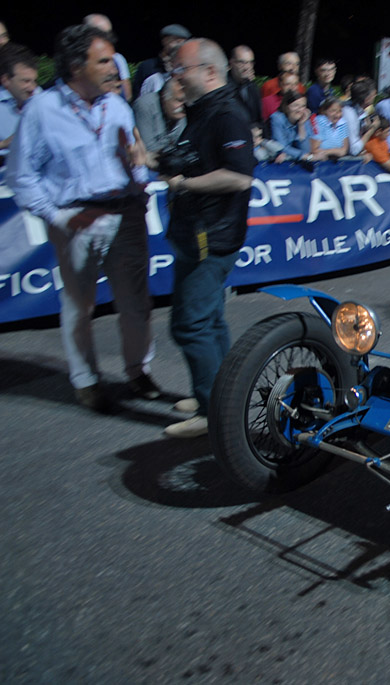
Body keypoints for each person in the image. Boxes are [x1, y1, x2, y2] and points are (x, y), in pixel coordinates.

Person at [8, 24, 157, 412]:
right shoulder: (42, 110)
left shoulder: (118, 106)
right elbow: (22, 176)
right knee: (80, 307)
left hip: (127, 215)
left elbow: (134, 158)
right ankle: (86, 381)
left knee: (136, 302)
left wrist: (140, 184)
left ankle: (138, 371)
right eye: (104, 61)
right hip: (76, 219)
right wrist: (57, 216)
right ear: (76, 66)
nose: (114, 68)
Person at [162, 37, 255, 438]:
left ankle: (212, 410)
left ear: (210, 72)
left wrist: (184, 183)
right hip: (196, 234)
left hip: (211, 238)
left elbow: (239, 174)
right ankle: (218, 394)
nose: (175, 78)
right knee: (210, 319)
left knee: (190, 323)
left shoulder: (227, 114)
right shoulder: (203, 111)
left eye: (181, 70)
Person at [133, 24, 191, 98]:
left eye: (183, 42)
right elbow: (137, 97)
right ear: (165, 41)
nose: (180, 45)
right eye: (176, 41)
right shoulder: (147, 67)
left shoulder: (186, 67)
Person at [0, 43, 37, 159]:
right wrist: (4, 144)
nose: (32, 88)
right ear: (6, 80)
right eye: (25, 81)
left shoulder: (41, 97)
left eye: (34, 81)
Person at [82, 14, 131, 101]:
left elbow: (126, 94)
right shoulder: (76, 61)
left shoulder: (118, 59)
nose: (106, 38)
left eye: (108, 33)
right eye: (101, 34)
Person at [133, 77, 185, 155]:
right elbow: (148, 149)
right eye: (179, 100)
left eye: (186, 101)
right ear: (164, 97)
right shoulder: (145, 106)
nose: (183, 106)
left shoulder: (180, 111)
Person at [270, 91, 315, 162]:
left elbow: (306, 150)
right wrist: (301, 155)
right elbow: (281, 147)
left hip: (293, 159)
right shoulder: (277, 118)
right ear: (286, 107)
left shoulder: (304, 120)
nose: (300, 110)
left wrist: (301, 126)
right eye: (296, 105)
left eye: (303, 106)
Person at [227, 45, 260, 125]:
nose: (247, 67)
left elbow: (259, 119)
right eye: (242, 62)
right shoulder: (224, 87)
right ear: (231, 63)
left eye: (250, 62)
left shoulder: (252, 87)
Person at [310, 96, 349, 160]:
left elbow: (344, 150)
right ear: (325, 111)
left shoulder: (342, 123)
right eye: (333, 111)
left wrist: (326, 152)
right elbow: (314, 150)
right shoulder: (320, 122)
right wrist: (335, 151)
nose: (337, 115)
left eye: (339, 111)